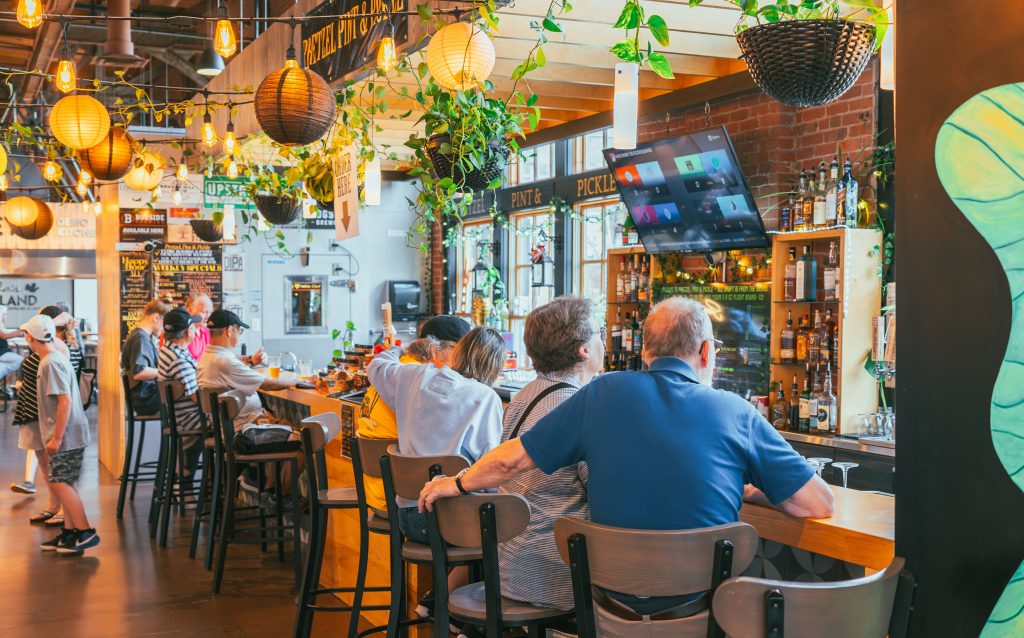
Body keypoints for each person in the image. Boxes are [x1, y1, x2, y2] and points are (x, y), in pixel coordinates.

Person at [420, 297, 834, 615]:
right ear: (707, 352)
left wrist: (454, 482)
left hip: (608, 610)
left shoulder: (602, 393)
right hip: (702, 612)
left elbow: (512, 459)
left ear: (645, 351)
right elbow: (816, 503)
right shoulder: (737, 411)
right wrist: (755, 492)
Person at [494, 297, 603, 611]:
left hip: (510, 566)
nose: (604, 341)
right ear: (583, 349)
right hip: (556, 575)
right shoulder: (580, 407)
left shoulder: (522, 396)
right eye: (600, 333)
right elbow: (602, 490)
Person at [367, 326, 506, 544]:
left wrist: (403, 349)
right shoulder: (485, 397)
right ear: (494, 366)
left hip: (408, 517)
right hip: (452, 519)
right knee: (514, 523)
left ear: (459, 350)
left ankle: (452, 581)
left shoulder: (413, 375)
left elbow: (376, 365)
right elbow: (490, 470)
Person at [357, 315, 470, 514]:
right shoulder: (424, 381)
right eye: (460, 350)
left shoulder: (397, 367)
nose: (465, 359)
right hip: (404, 500)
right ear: (436, 350)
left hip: (376, 492)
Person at [196, 309, 299, 497]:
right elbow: (267, 384)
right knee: (303, 438)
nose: (238, 335)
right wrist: (296, 382)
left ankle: (258, 480)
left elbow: (237, 370)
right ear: (229, 330)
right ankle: (274, 496)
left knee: (283, 426)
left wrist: (251, 362)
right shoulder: (222, 360)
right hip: (243, 434)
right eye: (239, 330)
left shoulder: (208, 357)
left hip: (231, 431)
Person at [22, 314, 99, 555]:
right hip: (69, 433)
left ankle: (85, 532)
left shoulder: (50, 363)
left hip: (67, 435)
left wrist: (56, 438)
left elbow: (64, 402)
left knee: (61, 482)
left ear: (30, 338)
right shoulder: (54, 357)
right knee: (64, 481)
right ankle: (70, 532)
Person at [11, 310, 73, 514]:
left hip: (46, 410)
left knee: (55, 464)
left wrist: (43, 325)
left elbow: (64, 397)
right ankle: (53, 505)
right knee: (43, 461)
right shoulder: (39, 344)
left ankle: (66, 511)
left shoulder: (55, 346)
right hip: (30, 408)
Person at [157, 307, 205, 482]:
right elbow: (196, 396)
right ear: (187, 331)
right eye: (193, 326)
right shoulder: (177, 359)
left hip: (181, 416)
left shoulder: (170, 351)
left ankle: (191, 477)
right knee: (233, 420)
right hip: (188, 419)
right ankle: (221, 486)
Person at [121, 298, 172, 416]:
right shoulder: (140, 338)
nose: (164, 330)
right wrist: (167, 372)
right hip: (145, 399)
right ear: (156, 318)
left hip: (144, 396)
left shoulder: (141, 336)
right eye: (164, 324)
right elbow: (140, 372)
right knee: (186, 393)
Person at [0, 305, 24, 393]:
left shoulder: (2, 326)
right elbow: (5, 335)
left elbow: (6, 333)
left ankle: (4, 385)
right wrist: (21, 331)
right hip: (1, 353)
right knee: (20, 360)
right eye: (4, 314)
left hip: (3, 352)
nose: (6, 316)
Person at [185, 293, 214, 361]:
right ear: (190, 310)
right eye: (204, 312)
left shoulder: (207, 332)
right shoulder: (182, 333)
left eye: (209, 313)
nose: (208, 317)